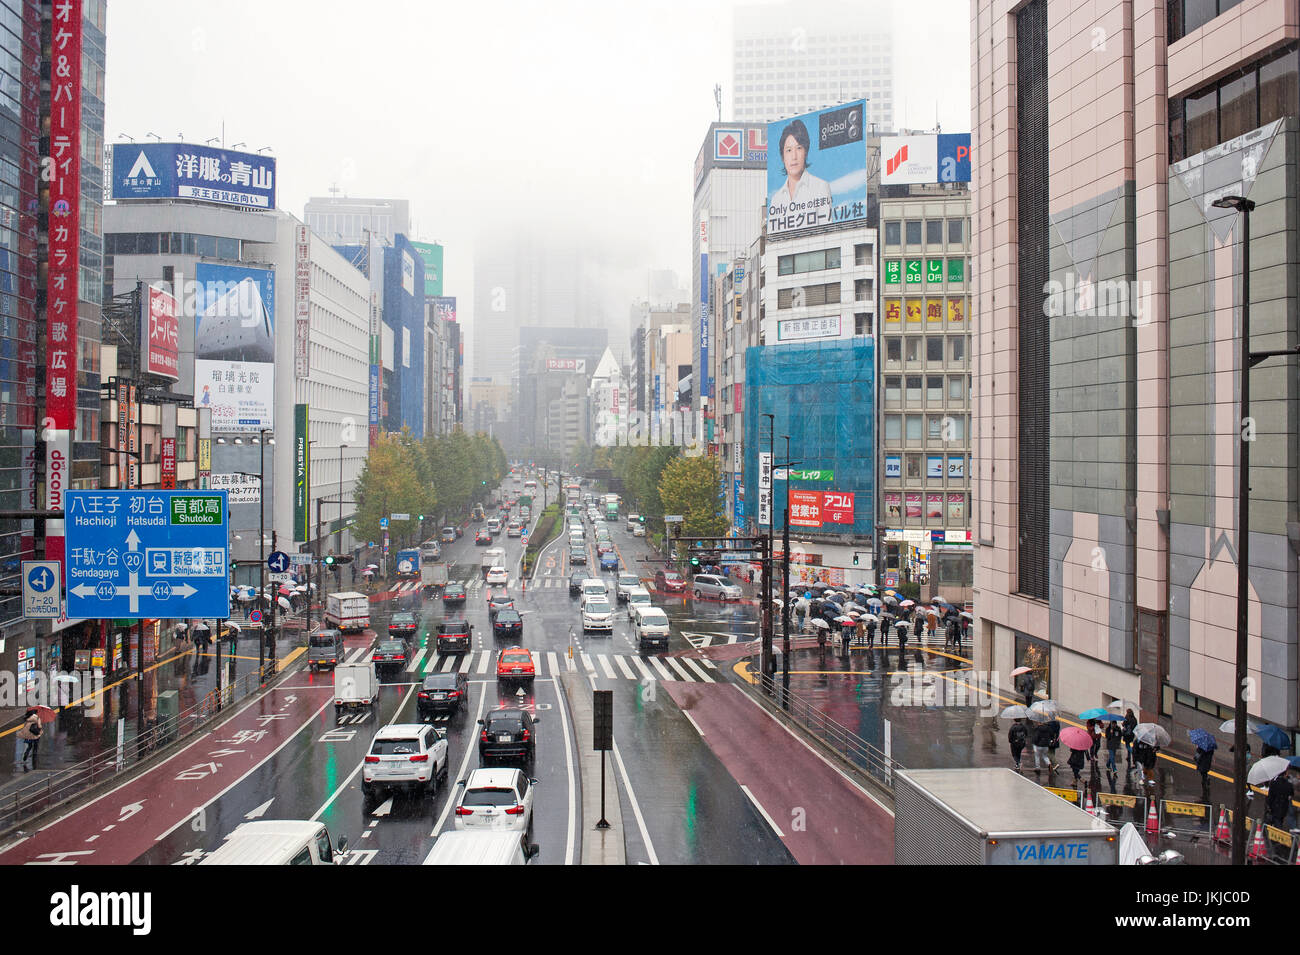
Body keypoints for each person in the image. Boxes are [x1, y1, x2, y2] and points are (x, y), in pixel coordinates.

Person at [768, 118, 833, 233]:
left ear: (806, 151)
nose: (794, 156)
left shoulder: (820, 187)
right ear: (782, 156)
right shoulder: (776, 200)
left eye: (799, 148)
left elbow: (826, 233)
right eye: (788, 150)